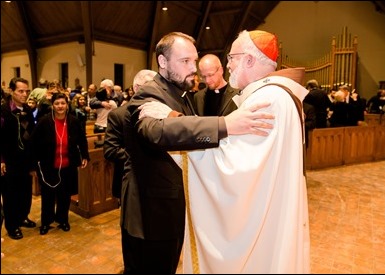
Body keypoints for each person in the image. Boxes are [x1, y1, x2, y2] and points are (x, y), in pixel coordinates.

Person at [140, 30, 311, 273]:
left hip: (261, 220)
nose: (228, 64)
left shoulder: (268, 99)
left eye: (232, 58)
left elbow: (233, 167)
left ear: (250, 60)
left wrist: (170, 119)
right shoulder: (276, 95)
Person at [120, 31, 274, 274]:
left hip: (169, 210)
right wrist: (225, 125)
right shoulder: (150, 93)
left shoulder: (179, 93)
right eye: (185, 62)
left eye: (194, 60)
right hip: (151, 214)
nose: (193, 68)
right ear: (162, 62)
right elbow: (156, 131)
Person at [30, 92, 89, 235]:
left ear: (67, 105)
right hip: (48, 165)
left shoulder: (73, 121)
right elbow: (33, 143)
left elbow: (82, 139)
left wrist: (85, 155)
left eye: (63, 103)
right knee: (48, 196)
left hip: (67, 165)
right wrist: (33, 164)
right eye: (57, 104)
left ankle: (63, 220)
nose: (60, 106)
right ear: (52, 105)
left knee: (65, 195)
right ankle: (46, 222)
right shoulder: (44, 121)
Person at [104, 69, 157, 200]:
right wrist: (141, 155)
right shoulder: (118, 114)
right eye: (152, 86)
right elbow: (111, 150)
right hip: (129, 180)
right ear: (136, 88)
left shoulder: (159, 111)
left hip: (156, 181)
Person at [1, 77, 37, 240]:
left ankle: (22, 217)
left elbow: (31, 135)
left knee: (25, 191)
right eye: (20, 91)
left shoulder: (28, 110)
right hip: (9, 160)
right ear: (11, 91)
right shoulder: (4, 111)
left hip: (25, 159)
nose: (24, 94)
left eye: (26, 91)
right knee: (10, 194)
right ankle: (12, 225)